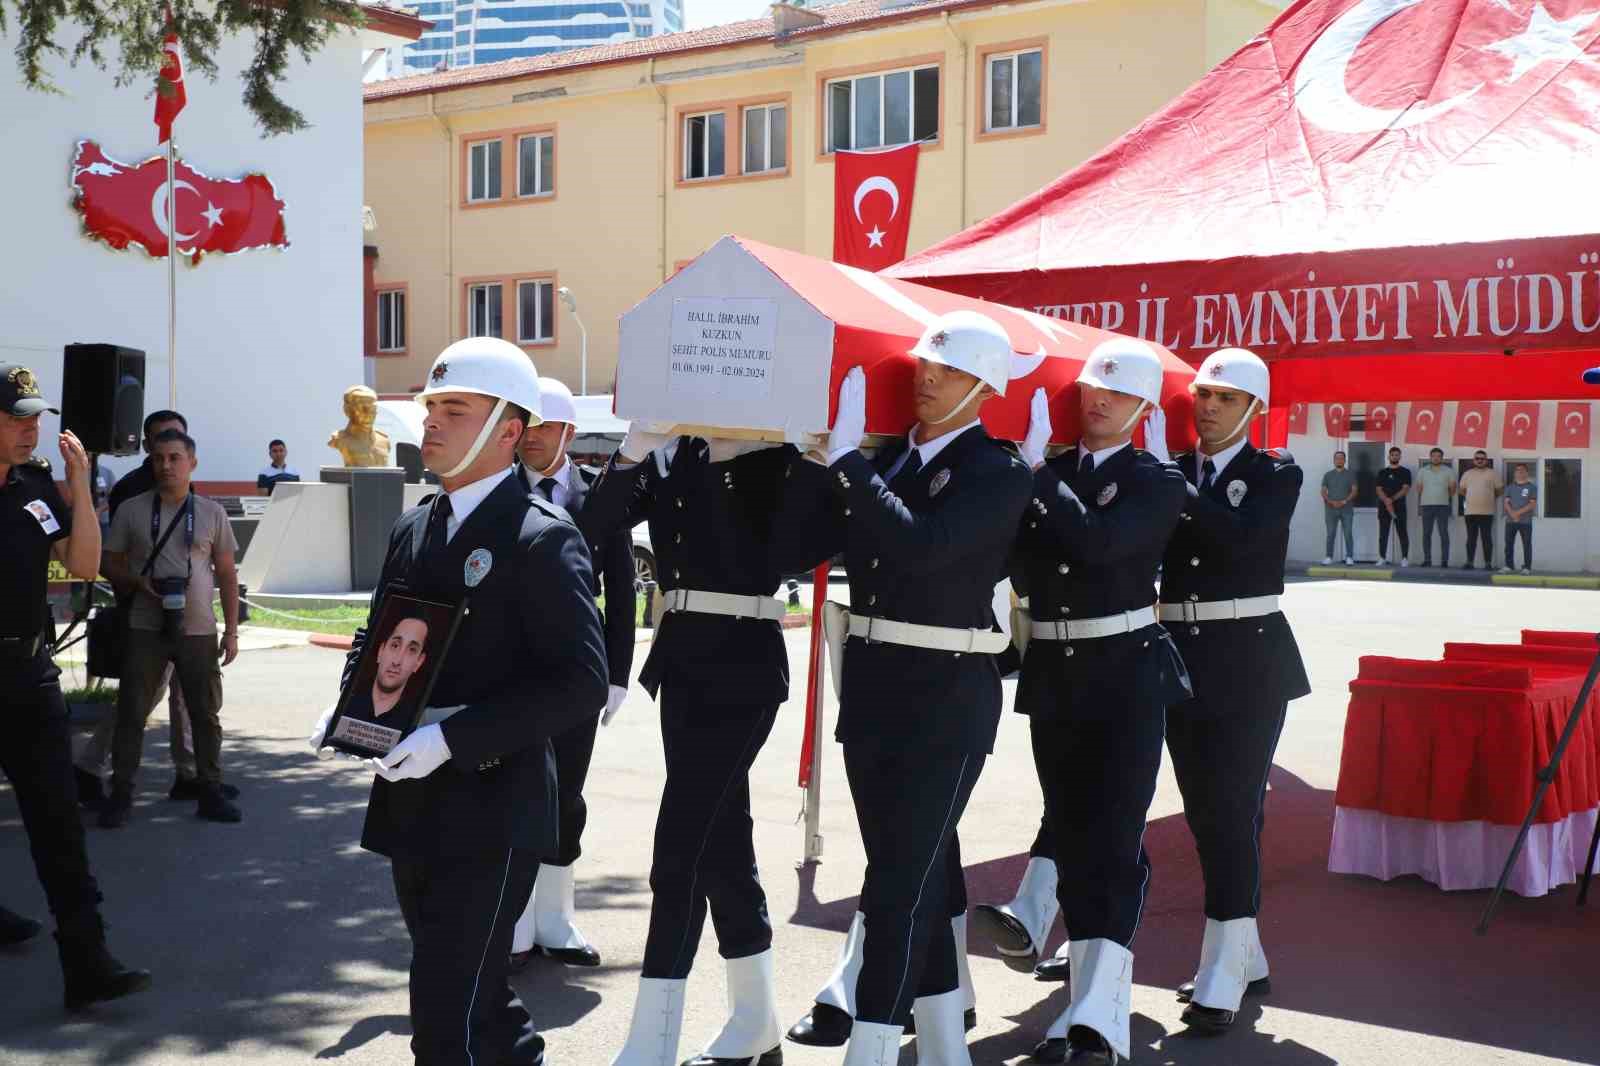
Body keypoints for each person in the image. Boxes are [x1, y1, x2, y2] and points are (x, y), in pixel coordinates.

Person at [309, 337, 608, 1066]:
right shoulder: (418, 524)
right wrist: (351, 709)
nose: (431, 422)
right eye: (431, 406)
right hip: (411, 798)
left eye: (455, 408)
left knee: (442, 1016)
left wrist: (452, 740)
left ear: (510, 429)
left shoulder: (542, 539)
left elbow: (579, 681)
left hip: (492, 804)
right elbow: (378, 633)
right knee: (475, 998)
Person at [775, 311, 1030, 1066]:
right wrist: (808, 462)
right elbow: (796, 551)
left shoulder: (999, 469)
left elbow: (923, 549)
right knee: (911, 871)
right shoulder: (888, 464)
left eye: (946, 370)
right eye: (924, 364)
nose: (926, 376)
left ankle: (875, 1048)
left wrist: (850, 465)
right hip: (879, 690)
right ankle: (946, 1043)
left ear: (984, 387)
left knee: (895, 884)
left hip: (947, 697)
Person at [585, 409, 796, 1066]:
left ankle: (652, 1042)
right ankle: (757, 1025)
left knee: (678, 850)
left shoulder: (773, 454)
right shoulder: (676, 455)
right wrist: (630, 455)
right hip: (682, 667)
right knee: (721, 847)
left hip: (743, 667)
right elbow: (593, 529)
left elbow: (796, 543)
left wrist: (749, 448)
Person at [1013, 341, 1191, 1066]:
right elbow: (1025, 563)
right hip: (1055, 668)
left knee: (1113, 841)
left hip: (1125, 672)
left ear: (1144, 408)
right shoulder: (1049, 471)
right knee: (1075, 835)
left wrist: (1033, 479)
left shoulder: (1157, 480)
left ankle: (1101, 1014)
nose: (1099, 400)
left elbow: (1096, 544)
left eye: (1117, 394)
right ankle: (1082, 1004)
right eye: (1092, 389)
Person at [1153, 348, 1310, 1035]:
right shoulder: (1169, 470)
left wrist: (1167, 479)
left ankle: (1222, 966)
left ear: (1254, 408)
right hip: (1180, 654)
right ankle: (1244, 951)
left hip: (1248, 658)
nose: (1206, 405)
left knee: (1232, 806)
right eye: (1202, 394)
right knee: (1206, 811)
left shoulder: (1275, 472)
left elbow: (1241, 535)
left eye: (1223, 396)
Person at [0, 362, 151, 1009]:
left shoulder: (36, 489)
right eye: (17, 418)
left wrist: (81, 485)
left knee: (58, 823)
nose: (32, 430)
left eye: (36, 418)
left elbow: (84, 564)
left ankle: (87, 960)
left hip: (29, 677)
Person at [508, 377, 634, 971]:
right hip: (509, 667)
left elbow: (622, 585)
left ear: (567, 433)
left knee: (568, 793)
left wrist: (617, 673)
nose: (530, 439)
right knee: (509, 788)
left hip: (578, 667)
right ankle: (513, 922)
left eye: (542, 428)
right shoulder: (498, 490)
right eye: (524, 427)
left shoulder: (597, 497)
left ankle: (555, 920)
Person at [100, 429, 242, 826]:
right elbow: (108, 562)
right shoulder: (132, 509)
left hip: (198, 629)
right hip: (145, 625)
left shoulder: (212, 512)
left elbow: (228, 575)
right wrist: (135, 582)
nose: (166, 465)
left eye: (175, 457)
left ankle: (210, 790)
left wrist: (231, 631)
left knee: (205, 714)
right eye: (159, 458)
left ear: (192, 462)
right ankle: (121, 793)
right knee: (131, 711)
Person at [76, 409, 206, 809]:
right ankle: (89, 766)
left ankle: (191, 774)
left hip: (187, 611)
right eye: (162, 442)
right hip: (145, 610)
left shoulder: (188, 487)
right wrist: (138, 593)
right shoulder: (132, 490)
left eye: (178, 441)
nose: (171, 451)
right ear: (148, 447)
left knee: (188, 697)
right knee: (141, 698)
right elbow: (116, 556)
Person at [342, 612, 430, 721]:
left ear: (419, 662)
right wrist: (348, 693)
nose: (397, 661)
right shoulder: (352, 701)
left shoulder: (413, 720)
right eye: (395, 645)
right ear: (381, 651)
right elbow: (364, 638)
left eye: (412, 650)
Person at [1459, 450, 1502, 570]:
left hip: (1487, 512)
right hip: (1470, 512)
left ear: (1486, 460)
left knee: (1486, 538)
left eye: (1482, 458)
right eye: (1477, 458)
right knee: (1471, 538)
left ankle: (1488, 563)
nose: (1479, 460)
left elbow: (1499, 490)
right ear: (1474, 460)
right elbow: (1462, 490)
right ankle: (1469, 562)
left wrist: (1488, 497)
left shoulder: (1493, 474)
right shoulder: (1467, 474)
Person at [1416, 448, 1456, 567]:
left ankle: (1445, 561)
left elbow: (1453, 489)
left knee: (1443, 533)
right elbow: (1418, 488)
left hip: (1443, 506)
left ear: (1442, 458)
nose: (1436, 458)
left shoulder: (1448, 471)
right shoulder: (1422, 471)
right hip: (1426, 505)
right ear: (1430, 457)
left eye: (1439, 456)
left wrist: (1442, 496)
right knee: (1426, 533)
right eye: (1434, 456)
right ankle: (1427, 560)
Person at [1374, 446, 1411, 567]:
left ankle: (1405, 558)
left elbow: (1405, 489)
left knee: (1402, 532)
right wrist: (1386, 500)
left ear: (1400, 457)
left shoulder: (1405, 472)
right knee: (1383, 533)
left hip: (1399, 507)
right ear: (1389, 456)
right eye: (1393, 454)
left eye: (1397, 455)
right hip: (1384, 507)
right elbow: (1378, 489)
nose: (1395, 456)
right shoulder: (1382, 472)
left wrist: (1392, 499)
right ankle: (1382, 557)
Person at [1319, 451, 1355, 565]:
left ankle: (1349, 557)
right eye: (1337, 458)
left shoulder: (1350, 474)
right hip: (1330, 509)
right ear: (1334, 460)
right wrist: (1331, 502)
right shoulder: (1328, 475)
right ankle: (1329, 557)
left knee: (1348, 533)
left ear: (1345, 460)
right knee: (1330, 533)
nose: (1339, 460)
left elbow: (1355, 490)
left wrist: (1344, 501)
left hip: (1347, 509)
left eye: (1341, 458)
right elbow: (1323, 491)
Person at [1503, 463, 1536, 574]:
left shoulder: (1531, 487)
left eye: (1522, 470)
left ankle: (1527, 567)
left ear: (1527, 473)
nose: (1519, 472)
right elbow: (1506, 503)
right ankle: (1509, 565)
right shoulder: (1510, 487)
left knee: (1526, 544)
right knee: (1508, 544)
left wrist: (1517, 513)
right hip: (1510, 521)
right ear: (1515, 473)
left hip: (1525, 522)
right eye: (1517, 470)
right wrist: (1512, 514)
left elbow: (1532, 504)